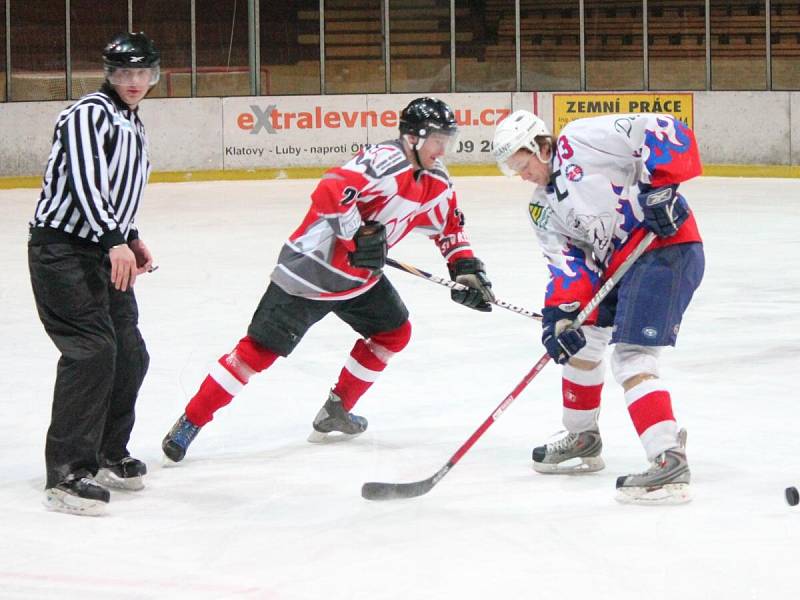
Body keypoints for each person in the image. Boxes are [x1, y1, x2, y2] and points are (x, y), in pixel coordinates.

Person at [161, 97, 496, 462]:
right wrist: (355, 237)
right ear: (413, 138)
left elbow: (449, 227)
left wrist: (464, 268)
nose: (443, 148)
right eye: (437, 139)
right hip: (311, 271)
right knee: (256, 353)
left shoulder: (437, 180)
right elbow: (330, 191)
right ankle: (190, 422)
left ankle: (337, 410)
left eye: (447, 138)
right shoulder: (385, 161)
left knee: (393, 332)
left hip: (359, 279)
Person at [492, 110, 704, 504]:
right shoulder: (542, 208)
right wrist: (561, 315)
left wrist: (662, 184)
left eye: (522, 165)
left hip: (664, 249)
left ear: (541, 145)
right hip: (618, 266)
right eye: (513, 170)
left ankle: (668, 457)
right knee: (582, 341)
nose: (522, 175)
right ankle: (583, 437)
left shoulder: (580, 138)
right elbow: (568, 266)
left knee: (632, 358)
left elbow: (660, 128)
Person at [28, 32, 161, 516]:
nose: (133, 81)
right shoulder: (88, 114)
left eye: (142, 72)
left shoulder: (133, 123)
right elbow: (85, 180)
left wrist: (130, 236)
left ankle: (107, 452)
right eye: (124, 73)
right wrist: (112, 239)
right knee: (92, 352)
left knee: (129, 351)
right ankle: (66, 473)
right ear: (109, 74)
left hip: (104, 249)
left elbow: (114, 189)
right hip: (62, 251)